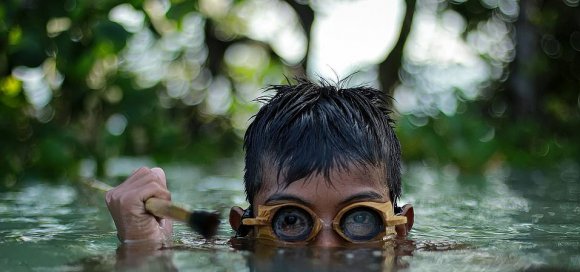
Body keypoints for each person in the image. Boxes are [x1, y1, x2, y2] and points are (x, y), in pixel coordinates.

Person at [105, 79, 414, 247]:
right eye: (291, 221)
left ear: (401, 230)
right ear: (245, 231)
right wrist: (142, 245)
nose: (326, 251)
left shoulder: (426, 258)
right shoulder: (235, 252)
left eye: (360, 220)